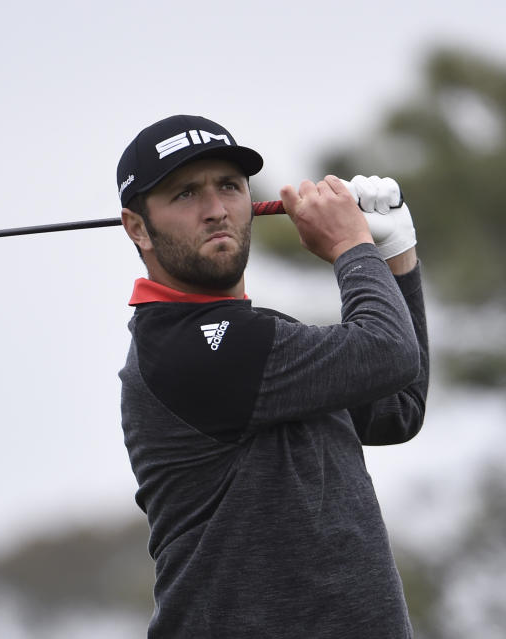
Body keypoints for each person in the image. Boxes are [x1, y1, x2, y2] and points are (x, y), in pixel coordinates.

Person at [116, 114, 428, 638]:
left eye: (230, 187)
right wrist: (353, 247)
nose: (216, 210)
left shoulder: (263, 338)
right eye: (186, 194)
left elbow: (397, 408)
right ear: (137, 227)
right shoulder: (187, 347)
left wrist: (396, 256)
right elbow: (388, 352)